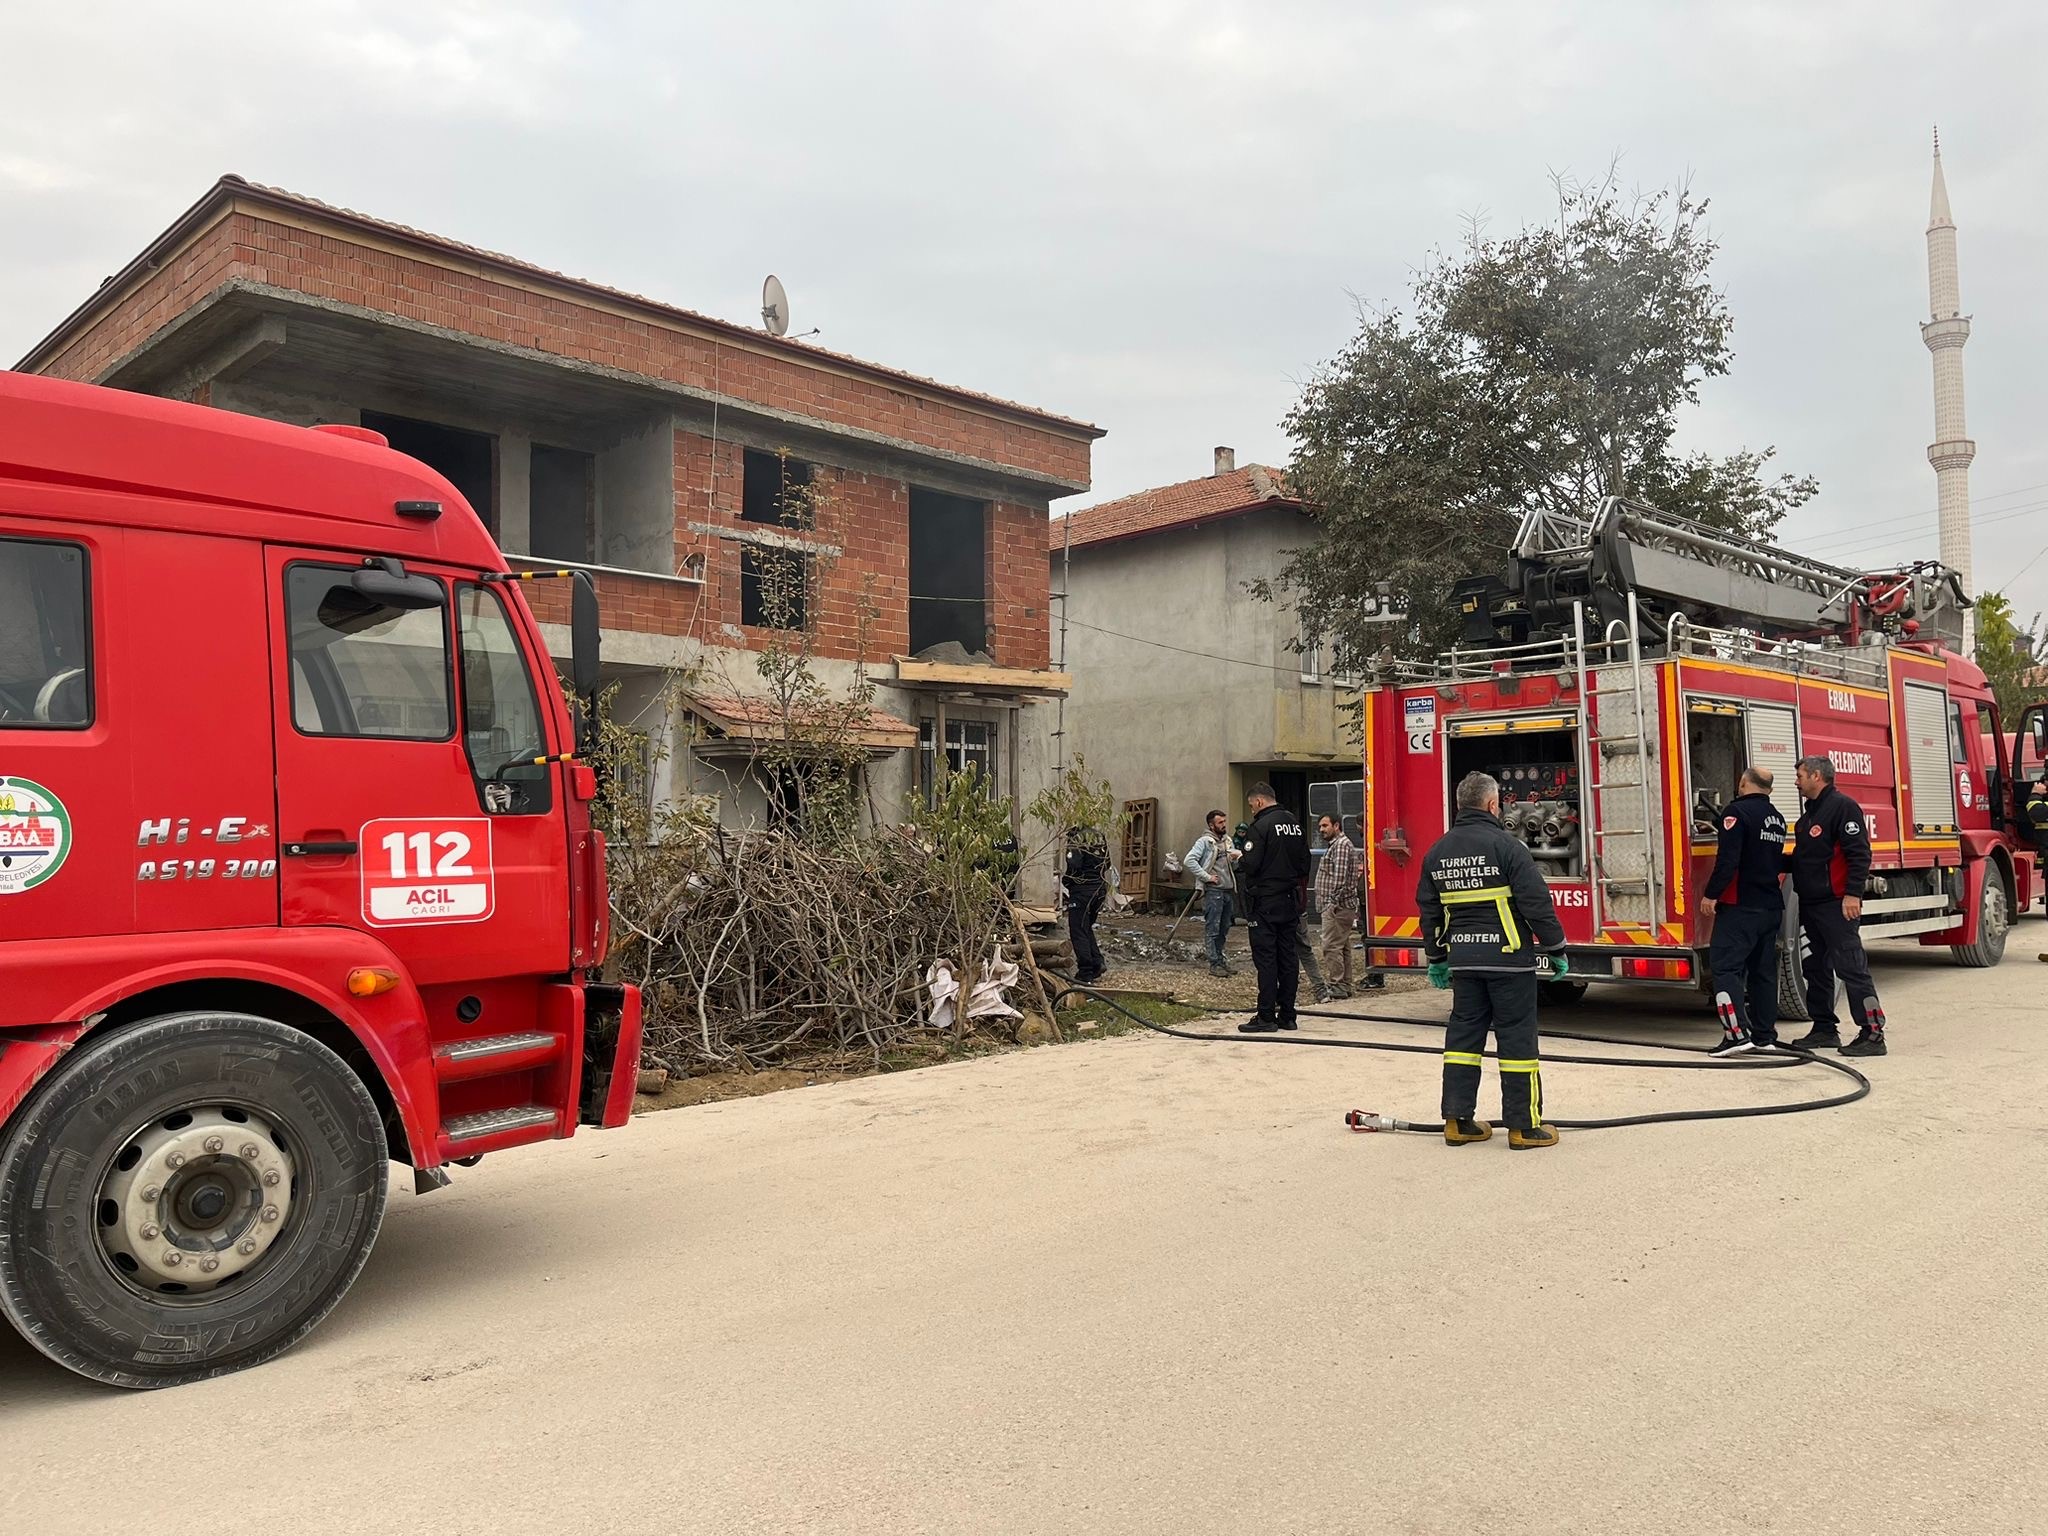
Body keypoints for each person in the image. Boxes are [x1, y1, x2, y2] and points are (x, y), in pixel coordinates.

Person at [1416, 771, 1568, 1150]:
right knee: (1516, 1039)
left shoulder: (1437, 852)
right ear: (1492, 805)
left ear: (1459, 806)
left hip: (1464, 963)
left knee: (1463, 1038)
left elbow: (1430, 912)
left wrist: (1437, 957)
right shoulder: (1508, 847)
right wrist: (1556, 947)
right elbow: (1535, 903)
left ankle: (1458, 1121)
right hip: (1509, 961)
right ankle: (1523, 1127)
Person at [1787, 755, 1886, 1056]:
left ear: (1817, 776)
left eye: (1800, 776)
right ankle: (1824, 1029)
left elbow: (1859, 854)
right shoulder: (1809, 815)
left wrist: (1853, 895)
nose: (1796, 782)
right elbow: (1806, 860)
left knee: (1850, 967)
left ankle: (1872, 1034)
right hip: (1811, 904)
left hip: (1836, 904)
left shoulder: (1842, 807)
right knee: (1815, 967)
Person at [1701, 766, 1790, 1055]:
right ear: (1769, 789)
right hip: (1770, 906)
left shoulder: (1735, 813)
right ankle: (1765, 1036)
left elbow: (1728, 860)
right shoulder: (1777, 818)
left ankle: (1736, 1036)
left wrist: (1711, 894)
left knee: (1726, 968)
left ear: (1742, 783)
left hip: (1740, 907)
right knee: (1763, 973)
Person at [1235, 782, 1310, 1033]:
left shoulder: (1260, 827)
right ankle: (1288, 1015)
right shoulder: (1294, 824)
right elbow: (1304, 863)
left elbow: (1252, 864)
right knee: (1288, 957)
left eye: (1251, 806)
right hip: (1289, 900)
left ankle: (1266, 1015)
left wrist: (1241, 859)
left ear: (1259, 801)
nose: (1252, 810)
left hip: (1265, 901)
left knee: (1267, 959)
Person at [1184, 809, 1240, 977]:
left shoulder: (1227, 841)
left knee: (1224, 928)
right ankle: (1214, 963)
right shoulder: (1205, 842)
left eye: (1224, 821)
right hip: (1214, 891)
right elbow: (1189, 860)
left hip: (1228, 890)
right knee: (1213, 928)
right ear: (1211, 825)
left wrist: (1235, 860)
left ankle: (1221, 960)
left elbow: (1232, 866)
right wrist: (1207, 877)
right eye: (1220, 822)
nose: (1224, 825)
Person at [1315, 813, 1361, 1000]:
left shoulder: (1341, 845)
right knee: (1342, 946)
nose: (1321, 830)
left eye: (1325, 825)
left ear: (1336, 826)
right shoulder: (1338, 844)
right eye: (1320, 826)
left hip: (1338, 907)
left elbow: (1339, 879)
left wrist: (1331, 904)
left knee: (1331, 946)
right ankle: (1345, 984)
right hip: (1340, 906)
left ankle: (1338, 985)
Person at [1063, 828, 1110, 987]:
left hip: (1083, 891)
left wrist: (1068, 881)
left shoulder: (1077, 839)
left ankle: (1085, 972)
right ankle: (1097, 962)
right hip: (1099, 889)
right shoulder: (1099, 836)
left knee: (1078, 930)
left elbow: (1074, 865)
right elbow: (1107, 863)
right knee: (1085, 927)